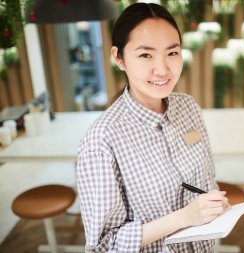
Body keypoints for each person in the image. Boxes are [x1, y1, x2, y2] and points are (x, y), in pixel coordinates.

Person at [76, 2, 229, 253]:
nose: (163, 69)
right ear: (119, 58)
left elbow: (207, 180)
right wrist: (183, 217)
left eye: (172, 53)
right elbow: (103, 247)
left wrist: (212, 204)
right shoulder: (101, 141)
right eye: (146, 54)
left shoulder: (188, 107)